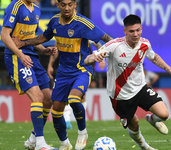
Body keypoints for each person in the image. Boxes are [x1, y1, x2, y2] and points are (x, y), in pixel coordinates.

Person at [12, 0, 113, 149]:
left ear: (74, 5)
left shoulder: (83, 23)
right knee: (56, 111)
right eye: (63, 4)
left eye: (70, 4)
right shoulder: (54, 22)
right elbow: (43, 38)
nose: (67, 8)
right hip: (63, 72)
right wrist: (23, 43)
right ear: (58, 5)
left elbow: (108, 39)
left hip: (82, 69)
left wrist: (102, 54)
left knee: (73, 99)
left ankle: (82, 132)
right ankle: (64, 143)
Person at [84, 14, 171, 150]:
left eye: (138, 30)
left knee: (164, 114)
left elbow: (154, 57)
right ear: (125, 31)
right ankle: (145, 147)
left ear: (141, 29)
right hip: (120, 96)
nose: (135, 34)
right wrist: (95, 58)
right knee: (134, 124)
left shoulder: (145, 44)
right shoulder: (114, 46)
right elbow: (87, 59)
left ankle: (152, 119)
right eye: (131, 31)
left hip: (140, 88)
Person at [0, 0, 58, 150]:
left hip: (32, 56)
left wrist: (44, 49)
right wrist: (20, 55)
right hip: (16, 57)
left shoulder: (37, 10)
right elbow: (4, 36)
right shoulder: (15, 6)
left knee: (47, 99)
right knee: (37, 96)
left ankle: (33, 139)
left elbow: (29, 39)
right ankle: (40, 143)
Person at [47, 39, 103, 130]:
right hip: (66, 69)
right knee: (68, 95)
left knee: (82, 95)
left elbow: (97, 43)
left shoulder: (82, 29)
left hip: (83, 69)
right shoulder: (61, 31)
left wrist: (101, 58)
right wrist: (50, 65)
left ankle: (80, 120)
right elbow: (56, 48)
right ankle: (67, 120)